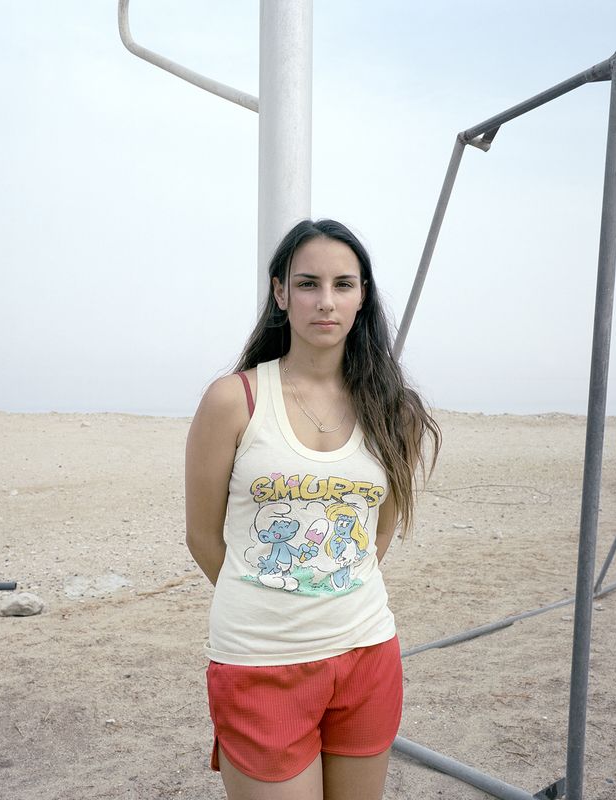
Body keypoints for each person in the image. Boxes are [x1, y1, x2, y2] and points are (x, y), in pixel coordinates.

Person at [185, 218, 441, 800]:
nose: (326, 301)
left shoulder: (393, 408)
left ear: (362, 296)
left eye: (343, 285)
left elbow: (375, 536)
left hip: (368, 655)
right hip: (259, 663)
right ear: (280, 293)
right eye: (308, 284)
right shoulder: (234, 399)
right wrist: (273, 597)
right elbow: (202, 537)